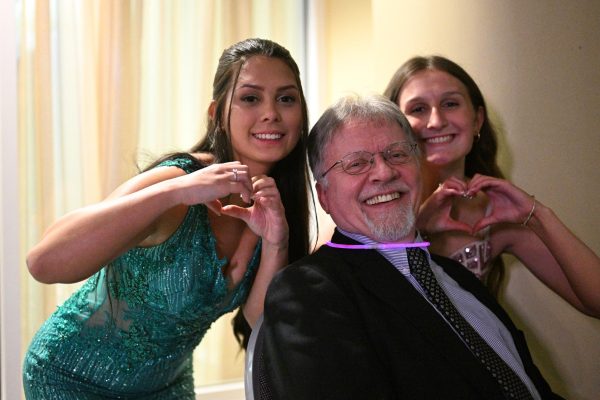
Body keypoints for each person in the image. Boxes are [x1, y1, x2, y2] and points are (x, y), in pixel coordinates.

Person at [22, 38, 311, 399]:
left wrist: (276, 242)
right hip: (72, 378)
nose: (271, 113)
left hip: (167, 387)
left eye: (286, 98)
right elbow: (43, 261)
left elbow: (258, 322)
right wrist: (177, 192)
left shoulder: (275, 206)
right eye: (251, 98)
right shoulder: (178, 180)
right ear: (217, 113)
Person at [254, 94, 562, 399]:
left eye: (397, 154)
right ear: (324, 196)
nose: (384, 172)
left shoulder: (460, 278)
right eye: (357, 163)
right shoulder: (308, 292)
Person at [383, 55, 600, 316]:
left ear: (477, 119)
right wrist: (414, 228)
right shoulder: (370, 198)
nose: (436, 121)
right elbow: (328, 285)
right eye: (418, 109)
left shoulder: (494, 214)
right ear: (394, 126)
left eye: (450, 104)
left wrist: (538, 215)